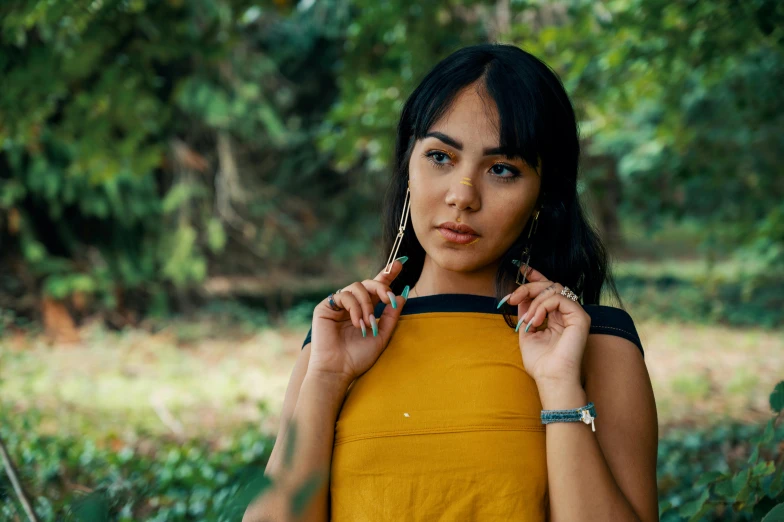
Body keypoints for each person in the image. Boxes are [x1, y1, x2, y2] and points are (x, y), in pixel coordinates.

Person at [244, 43, 659, 522]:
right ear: (407, 167)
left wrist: (560, 387)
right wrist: (325, 380)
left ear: (543, 195)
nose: (462, 196)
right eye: (441, 157)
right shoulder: (339, 339)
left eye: (502, 169)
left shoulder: (597, 345)